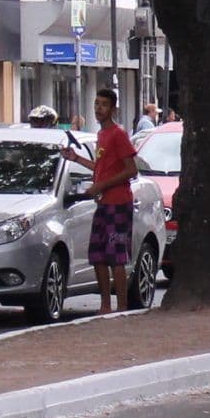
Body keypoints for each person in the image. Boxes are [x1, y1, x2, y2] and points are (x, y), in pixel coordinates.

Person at [62, 87, 139, 315]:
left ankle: (122, 306)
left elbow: (131, 170)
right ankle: (105, 305)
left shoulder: (118, 134)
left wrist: (102, 186)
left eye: (104, 104)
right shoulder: (101, 136)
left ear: (113, 108)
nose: (99, 108)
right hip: (103, 203)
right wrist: (76, 158)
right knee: (97, 255)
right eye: (96, 104)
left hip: (119, 202)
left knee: (116, 256)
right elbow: (102, 169)